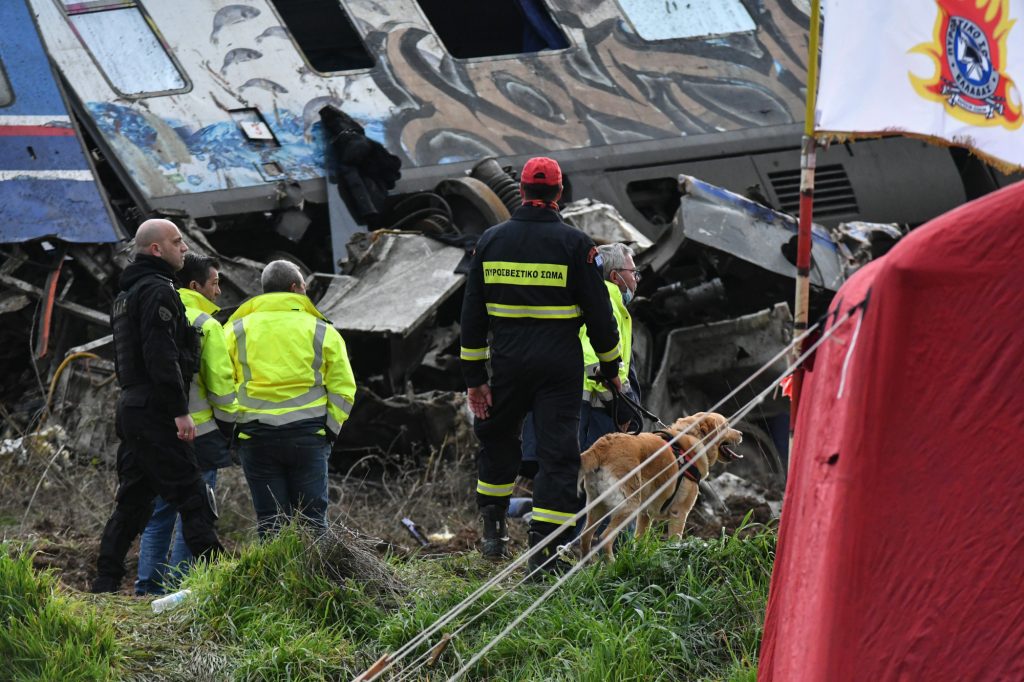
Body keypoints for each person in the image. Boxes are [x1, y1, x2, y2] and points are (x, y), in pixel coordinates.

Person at [460, 156, 621, 575]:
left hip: (507, 365)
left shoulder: (490, 242)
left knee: (497, 441)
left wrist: (475, 379)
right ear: (558, 193)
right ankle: (543, 553)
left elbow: (472, 317)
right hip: (559, 369)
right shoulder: (576, 245)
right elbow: (600, 316)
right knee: (557, 457)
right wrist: (611, 366)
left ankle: (493, 534)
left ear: (524, 190)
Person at [92, 219, 223, 594]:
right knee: (193, 496)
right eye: (177, 242)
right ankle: (227, 585)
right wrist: (180, 411)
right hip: (155, 408)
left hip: (132, 406)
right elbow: (161, 355)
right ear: (156, 249)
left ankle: (104, 584)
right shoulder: (158, 291)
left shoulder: (127, 294)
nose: (184, 248)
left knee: (133, 501)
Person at [225, 260, 356, 537]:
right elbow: (344, 388)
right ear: (295, 288)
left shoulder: (235, 330)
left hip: (255, 435)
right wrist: (329, 431)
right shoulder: (321, 330)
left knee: (270, 522)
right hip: (308, 435)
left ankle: (275, 580)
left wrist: (234, 429)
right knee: (313, 522)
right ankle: (315, 579)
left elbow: (220, 384)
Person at [134, 254, 236, 595]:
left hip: (156, 430)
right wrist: (229, 428)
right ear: (196, 286)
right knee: (195, 512)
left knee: (160, 509)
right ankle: (181, 585)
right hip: (200, 433)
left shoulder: (153, 313)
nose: (219, 291)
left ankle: (147, 586)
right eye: (215, 283)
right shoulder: (207, 324)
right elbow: (220, 384)